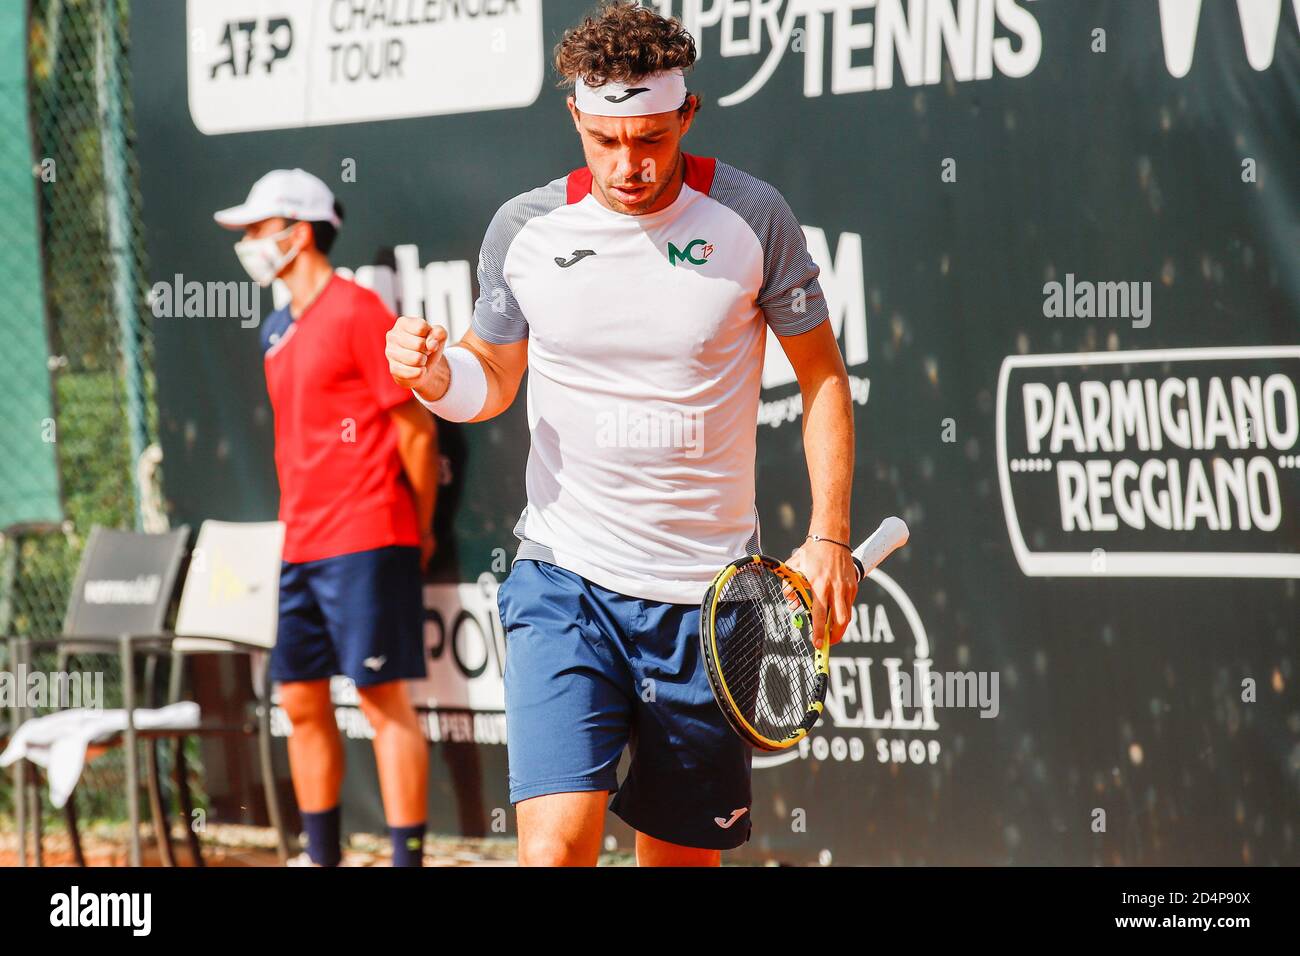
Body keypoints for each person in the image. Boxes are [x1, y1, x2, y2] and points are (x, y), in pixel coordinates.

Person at [386, 2, 856, 867]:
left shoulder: (755, 218)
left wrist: (827, 535)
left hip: (709, 605)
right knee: (555, 848)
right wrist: (432, 376)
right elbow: (488, 379)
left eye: (651, 138)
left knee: (676, 861)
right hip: (566, 583)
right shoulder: (524, 230)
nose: (630, 164)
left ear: (686, 114)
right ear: (575, 116)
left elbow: (824, 377)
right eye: (607, 140)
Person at [215, 168, 437, 866]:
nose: (248, 243)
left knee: (380, 701)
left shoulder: (357, 310)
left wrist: (417, 528)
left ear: (297, 232)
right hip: (300, 545)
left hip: (370, 535)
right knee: (301, 702)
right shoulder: (275, 328)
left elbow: (416, 429)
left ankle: (406, 859)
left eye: (257, 228)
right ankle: (322, 855)